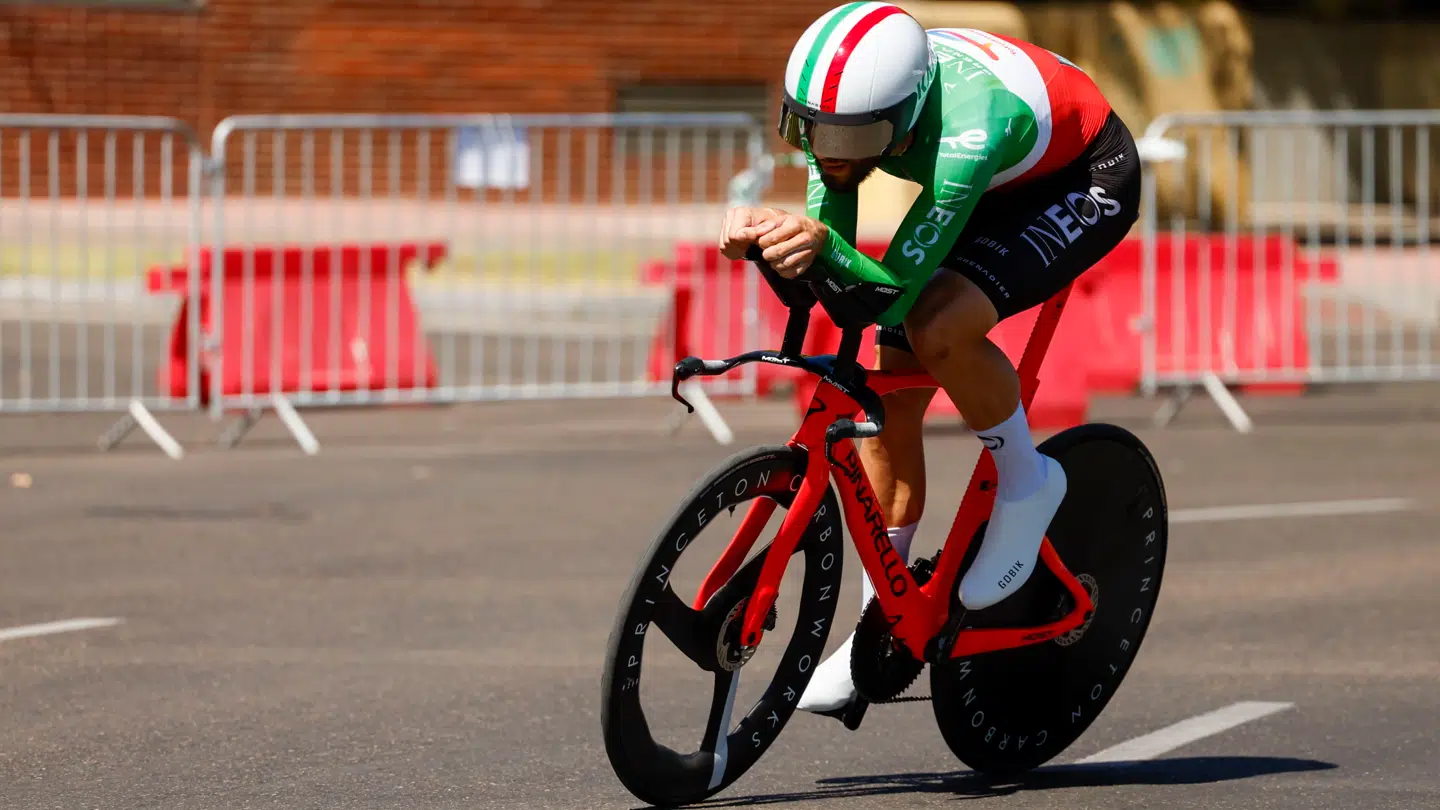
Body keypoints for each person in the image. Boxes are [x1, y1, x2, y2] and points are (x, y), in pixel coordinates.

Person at [718, 3, 1142, 714]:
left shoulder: (968, 133)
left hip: (1082, 174)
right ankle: (879, 622)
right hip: (997, 177)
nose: (829, 151)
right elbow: (837, 256)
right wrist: (781, 239)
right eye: (808, 129)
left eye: (851, 137)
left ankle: (1027, 481)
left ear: (904, 117)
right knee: (888, 385)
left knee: (936, 325)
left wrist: (818, 246)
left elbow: (889, 291)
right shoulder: (844, 114)